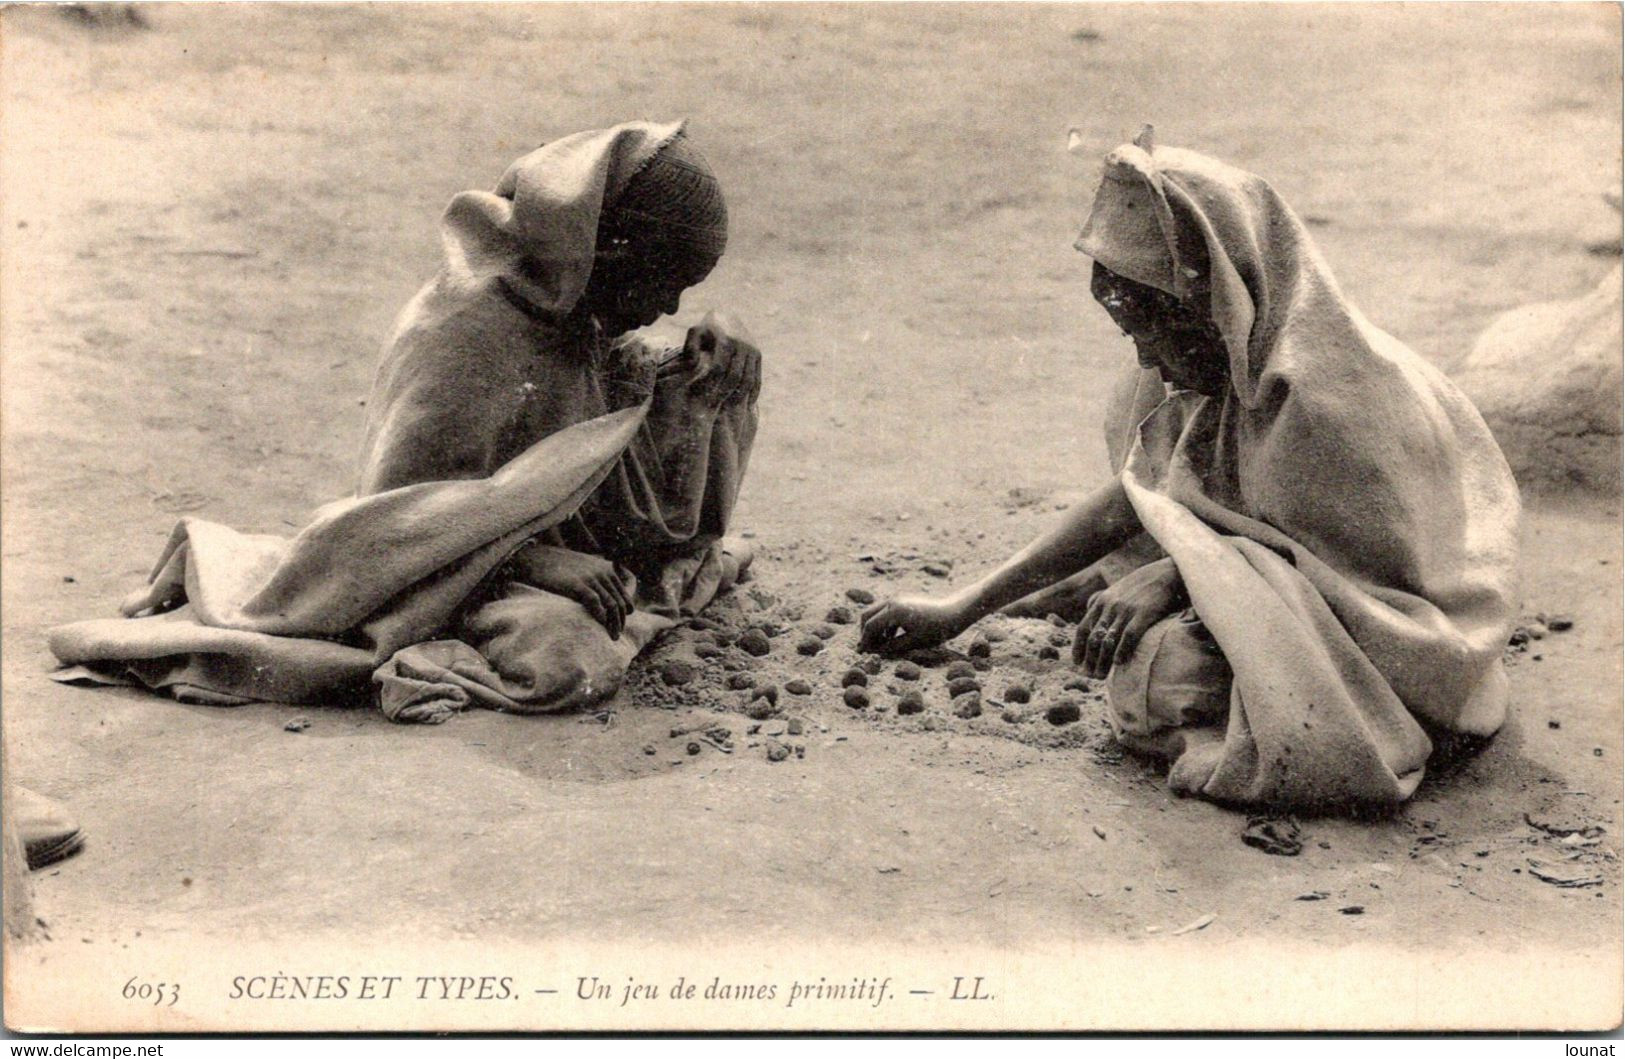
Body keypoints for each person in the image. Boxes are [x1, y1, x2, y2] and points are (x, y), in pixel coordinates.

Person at [860, 129, 1520, 811]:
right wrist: (960, 607)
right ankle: (1148, 582)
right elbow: (1139, 493)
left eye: (1153, 331)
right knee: (1140, 426)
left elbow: (1360, 581)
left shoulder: (1325, 408)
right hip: (1277, 578)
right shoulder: (1218, 361)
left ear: (1215, 304)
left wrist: (1177, 577)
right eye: (1132, 334)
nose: (1146, 356)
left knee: (1160, 674)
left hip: (1407, 628)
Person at [49, 120, 761, 723]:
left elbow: (611, 389)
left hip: (533, 538)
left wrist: (717, 345)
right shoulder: (466, 325)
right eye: (664, 283)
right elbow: (398, 518)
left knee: (719, 383)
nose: (668, 307)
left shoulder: (577, 302)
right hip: (452, 569)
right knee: (563, 655)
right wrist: (531, 558)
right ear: (605, 252)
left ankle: (591, 579)